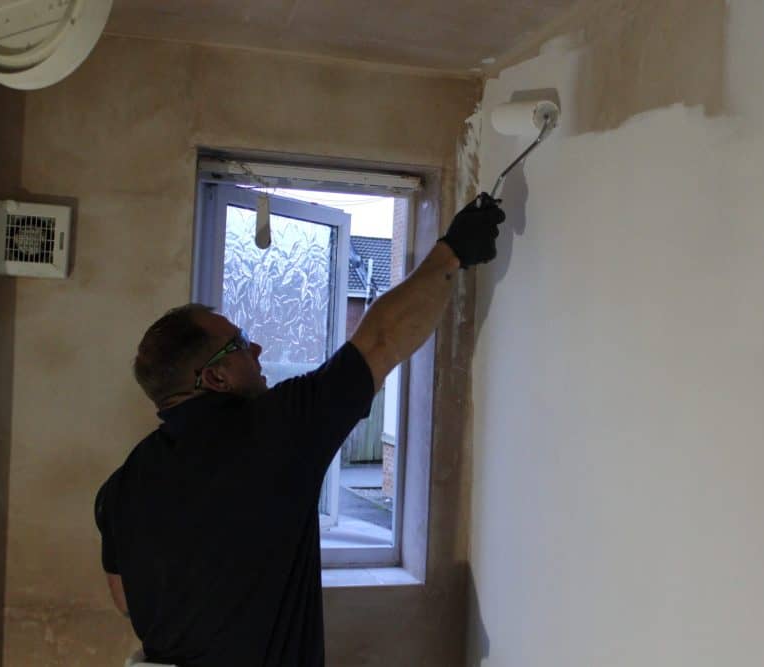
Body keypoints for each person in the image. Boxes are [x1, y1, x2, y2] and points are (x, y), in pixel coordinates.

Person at [94, 194, 505, 666]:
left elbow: (125, 600)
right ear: (215, 378)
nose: (257, 348)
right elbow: (381, 339)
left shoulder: (121, 487)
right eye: (239, 343)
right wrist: (453, 252)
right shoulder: (272, 430)